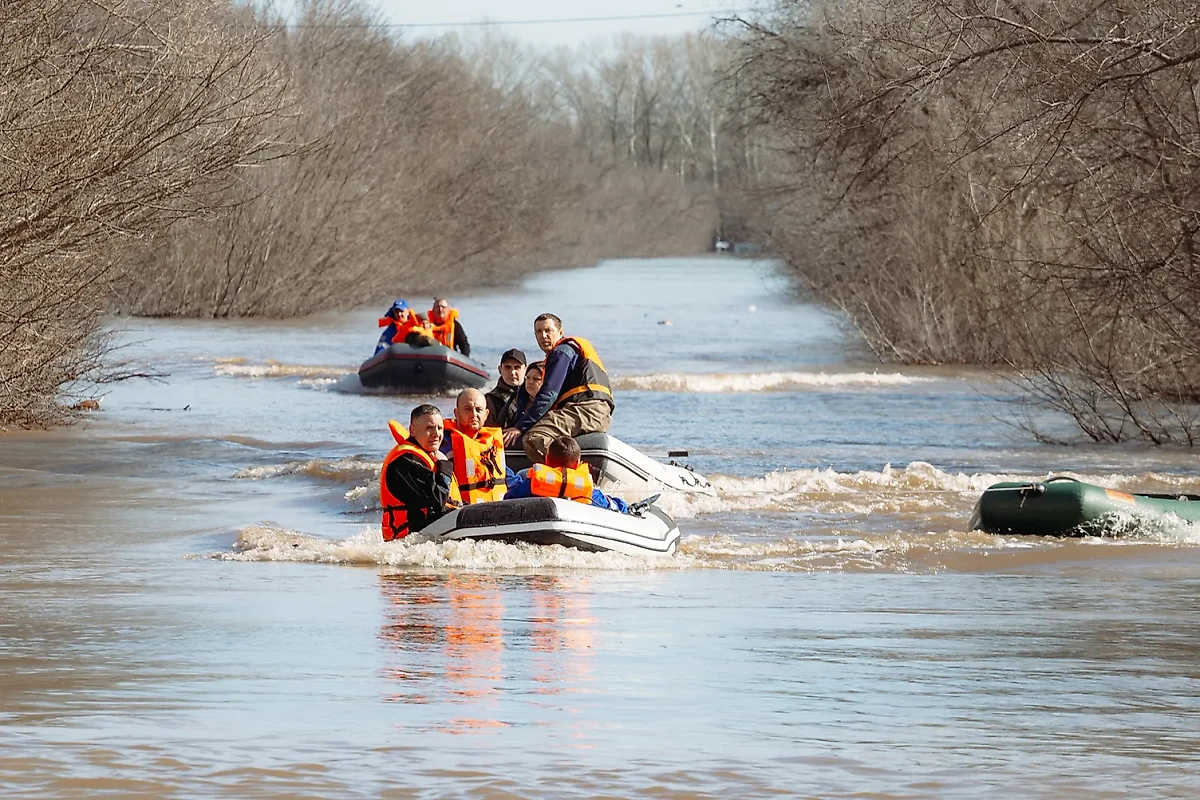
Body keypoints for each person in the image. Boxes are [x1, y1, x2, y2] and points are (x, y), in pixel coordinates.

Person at [503, 313, 613, 463]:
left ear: (560, 332)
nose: (543, 336)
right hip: (596, 411)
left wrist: (520, 427)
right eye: (539, 331)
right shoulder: (569, 354)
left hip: (587, 409)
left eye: (548, 330)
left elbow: (549, 394)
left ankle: (565, 478)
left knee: (534, 437)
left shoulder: (561, 352)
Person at [379, 404, 461, 540]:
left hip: (433, 530)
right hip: (407, 539)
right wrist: (445, 466)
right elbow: (438, 499)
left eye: (440, 428)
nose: (436, 434)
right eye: (429, 428)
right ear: (413, 430)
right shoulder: (406, 460)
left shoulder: (428, 456)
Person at [504, 436, 628, 513]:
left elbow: (508, 497)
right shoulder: (589, 492)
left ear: (547, 460)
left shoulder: (531, 485)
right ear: (577, 463)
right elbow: (617, 507)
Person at [440, 388, 507, 504]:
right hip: (460, 512)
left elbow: (505, 476)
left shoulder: (491, 443)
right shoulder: (444, 443)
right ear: (457, 413)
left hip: (494, 509)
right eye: (468, 409)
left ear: (486, 414)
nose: (474, 414)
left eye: (478, 410)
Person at [484, 349, 527, 430]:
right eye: (508, 367)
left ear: (526, 370)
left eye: (517, 367)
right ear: (500, 370)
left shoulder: (534, 396)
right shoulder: (490, 400)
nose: (512, 372)